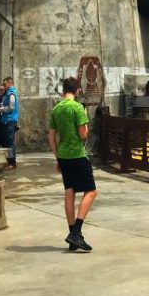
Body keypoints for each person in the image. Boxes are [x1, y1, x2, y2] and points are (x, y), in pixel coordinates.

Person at [47, 76, 97, 253]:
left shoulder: (57, 109)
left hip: (64, 156)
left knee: (69, 192)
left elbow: (51, 136)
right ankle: (76, 232)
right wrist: (85, 117)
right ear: (77, 90)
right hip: (77, 154)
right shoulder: (77, 107)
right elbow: (83, 135)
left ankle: (72, 237)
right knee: (91, 191)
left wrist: (58, 157)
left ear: (64, 90)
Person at [0, 76, 19, 168]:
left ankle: (12, 162)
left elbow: (11, 107)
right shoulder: (8, 93)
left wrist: (0, 109)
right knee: (7, 142)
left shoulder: (11, 94)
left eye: (5, 84)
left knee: (10, 143)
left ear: (10, 83)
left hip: (10, 121)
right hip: (7, 121)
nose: (4, 85)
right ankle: (9, 161)